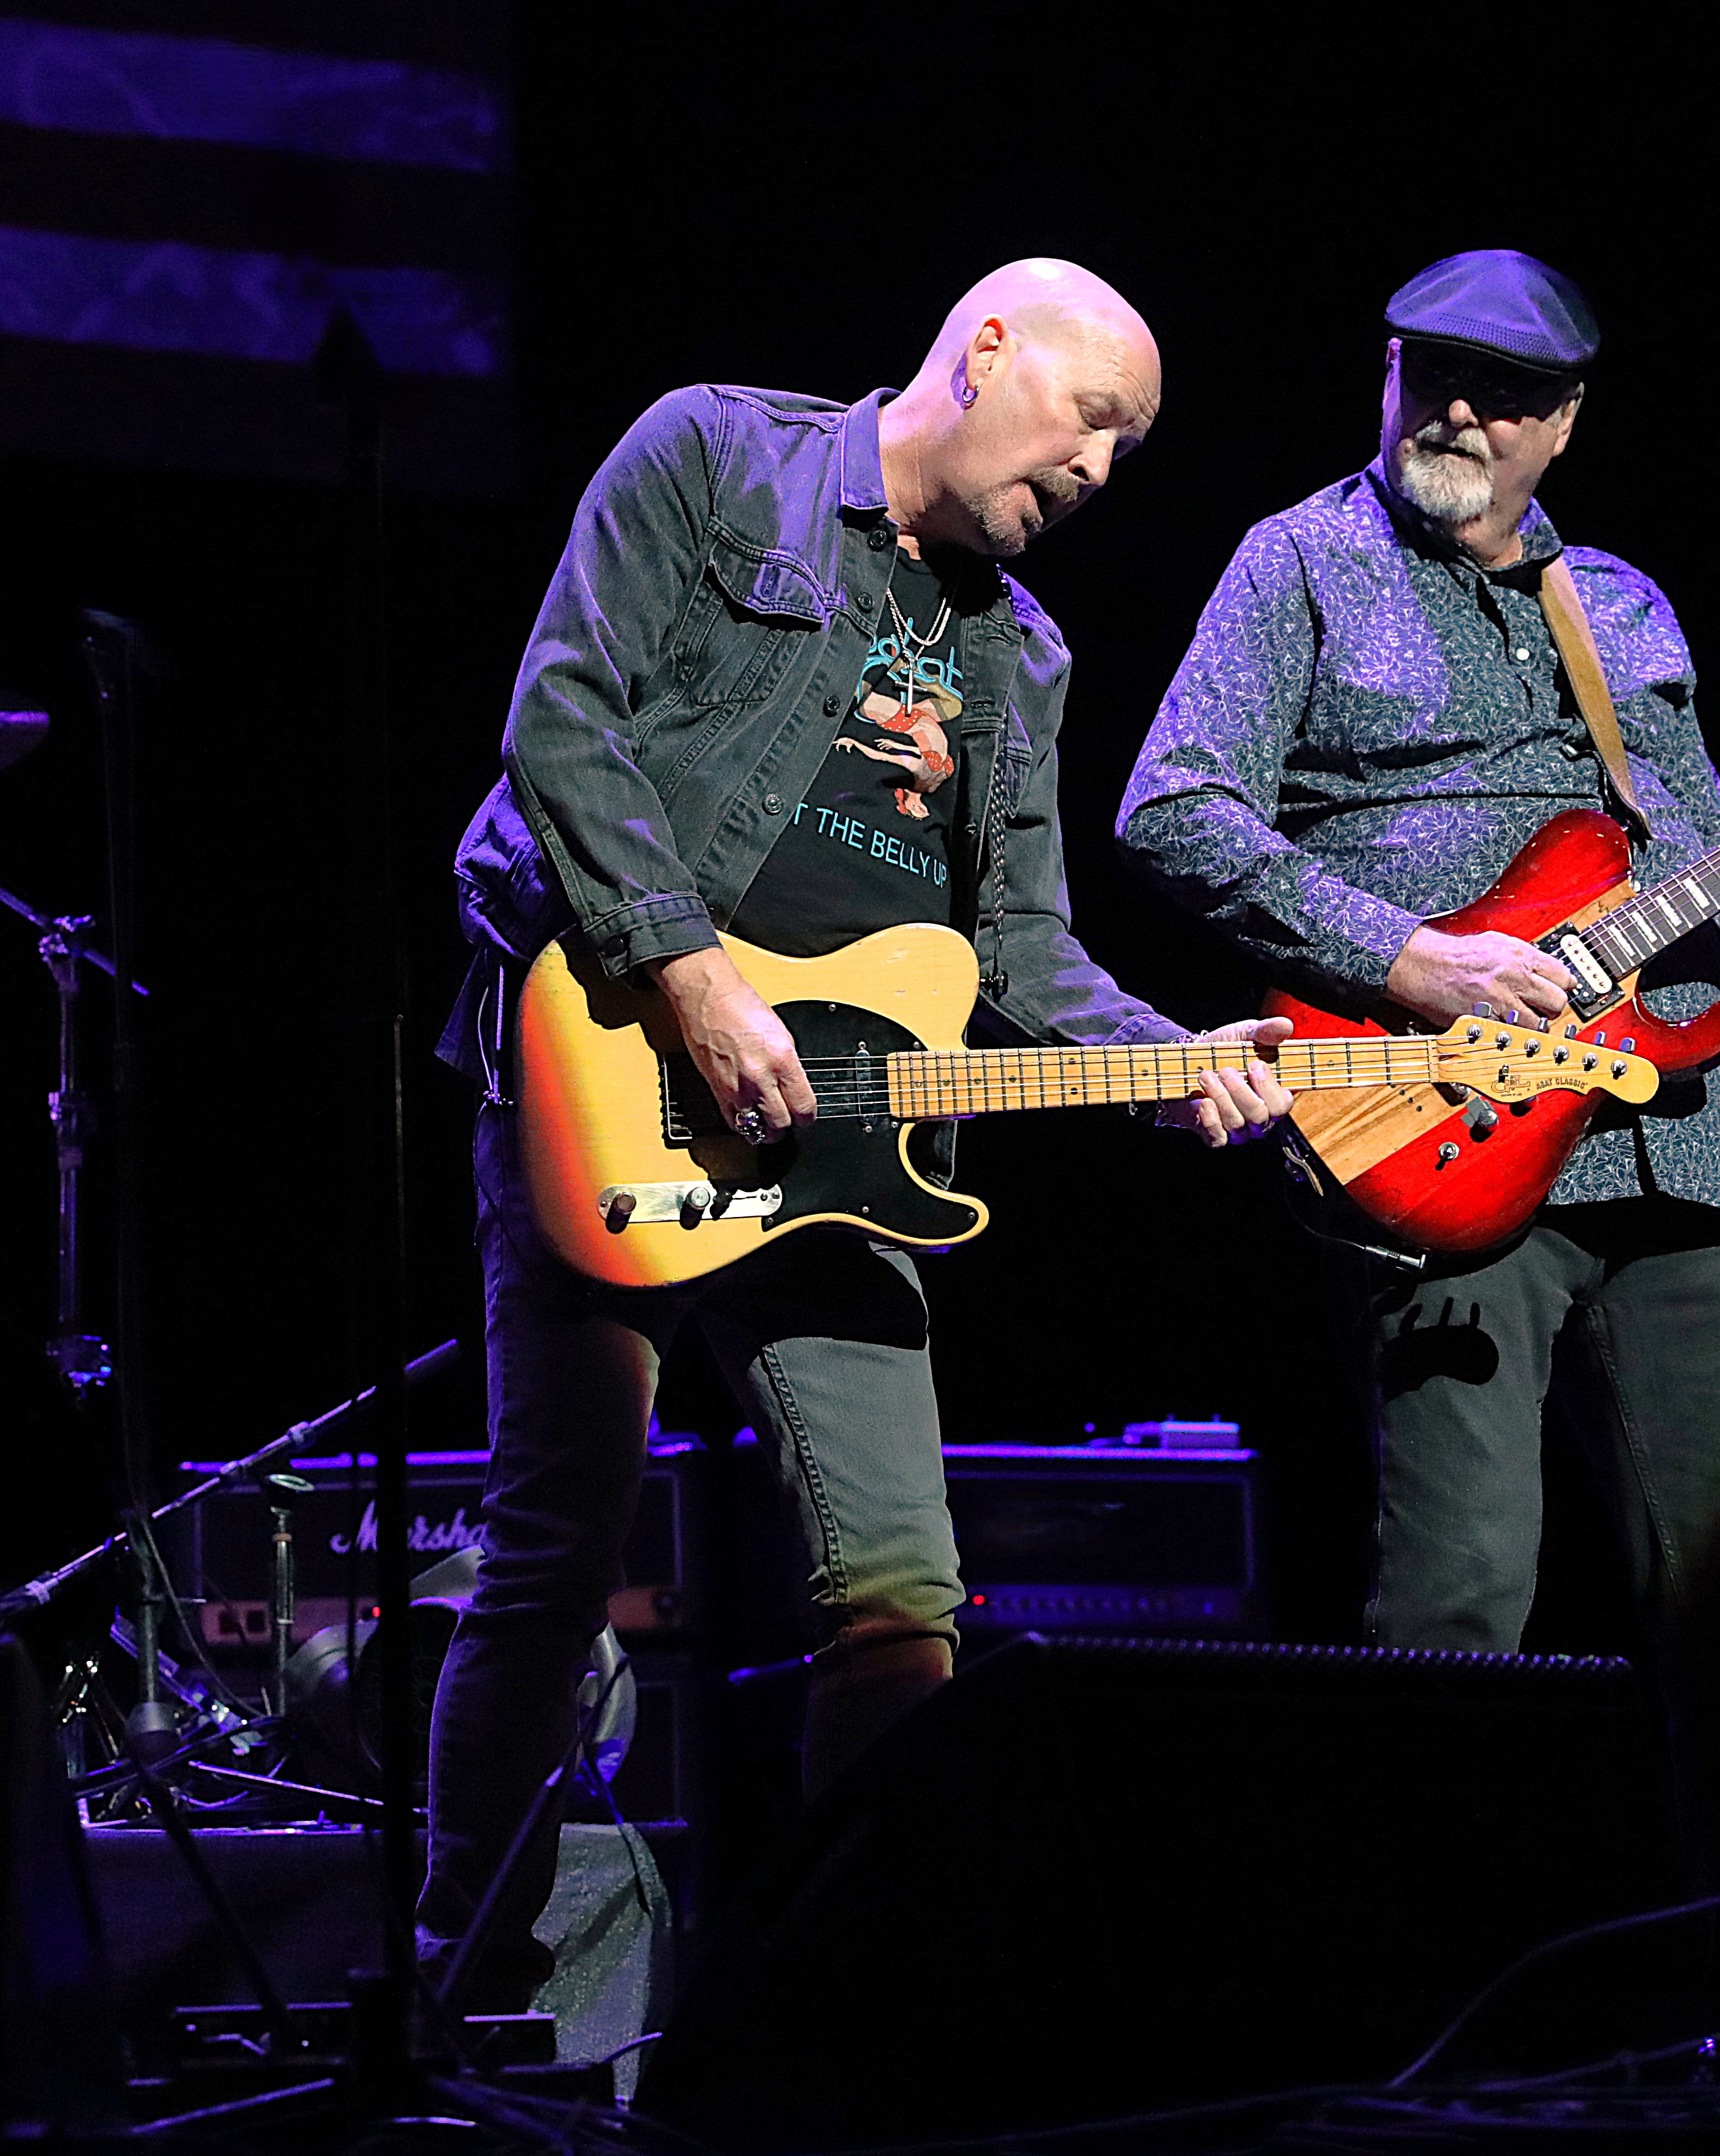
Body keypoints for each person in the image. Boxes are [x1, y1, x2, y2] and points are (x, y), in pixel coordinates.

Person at [427, 259, 1294, 2006]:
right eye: (1090, 420)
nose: (1098, 471)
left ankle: (850, 2001)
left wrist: (1170, 1056)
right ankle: (460, 1987)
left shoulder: (1021, 653)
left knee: (901, 1588)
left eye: (1125, 450)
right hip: (612, 1064)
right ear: (985, 350)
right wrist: (688, 973)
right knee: (557, 1551)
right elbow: (557, 716)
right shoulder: (713, 455)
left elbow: (1019, 950)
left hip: (850, 1156)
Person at [1115, 250, 1720, 1886]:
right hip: (1441, 1133)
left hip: (1669, 1141)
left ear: (1560, 423)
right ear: (1383, 371)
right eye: (1428, 373)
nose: (1456, 413)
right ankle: (1434, 1981)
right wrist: (1408, 956)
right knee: (1457, 1597)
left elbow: (1713, 883)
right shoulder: (1298, 561)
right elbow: (1171, 808)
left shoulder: (1619, 604)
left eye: (1502, 395)